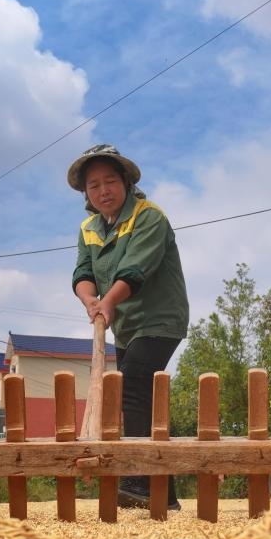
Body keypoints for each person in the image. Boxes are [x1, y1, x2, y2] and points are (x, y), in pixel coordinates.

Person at [68, 144, 189, 510]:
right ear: (86, 193)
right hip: (126, 325)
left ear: (126, 182)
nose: (103, 190)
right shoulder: (89, 228)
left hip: (160, 318)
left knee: (136, 380)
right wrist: (90, 299)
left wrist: (109, 300)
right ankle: (163, 495)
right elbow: (83, 273)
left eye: (110, 181)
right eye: (94, 185)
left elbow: (135, 270)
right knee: (133, 395)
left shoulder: (149, 216)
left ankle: (137, 478)